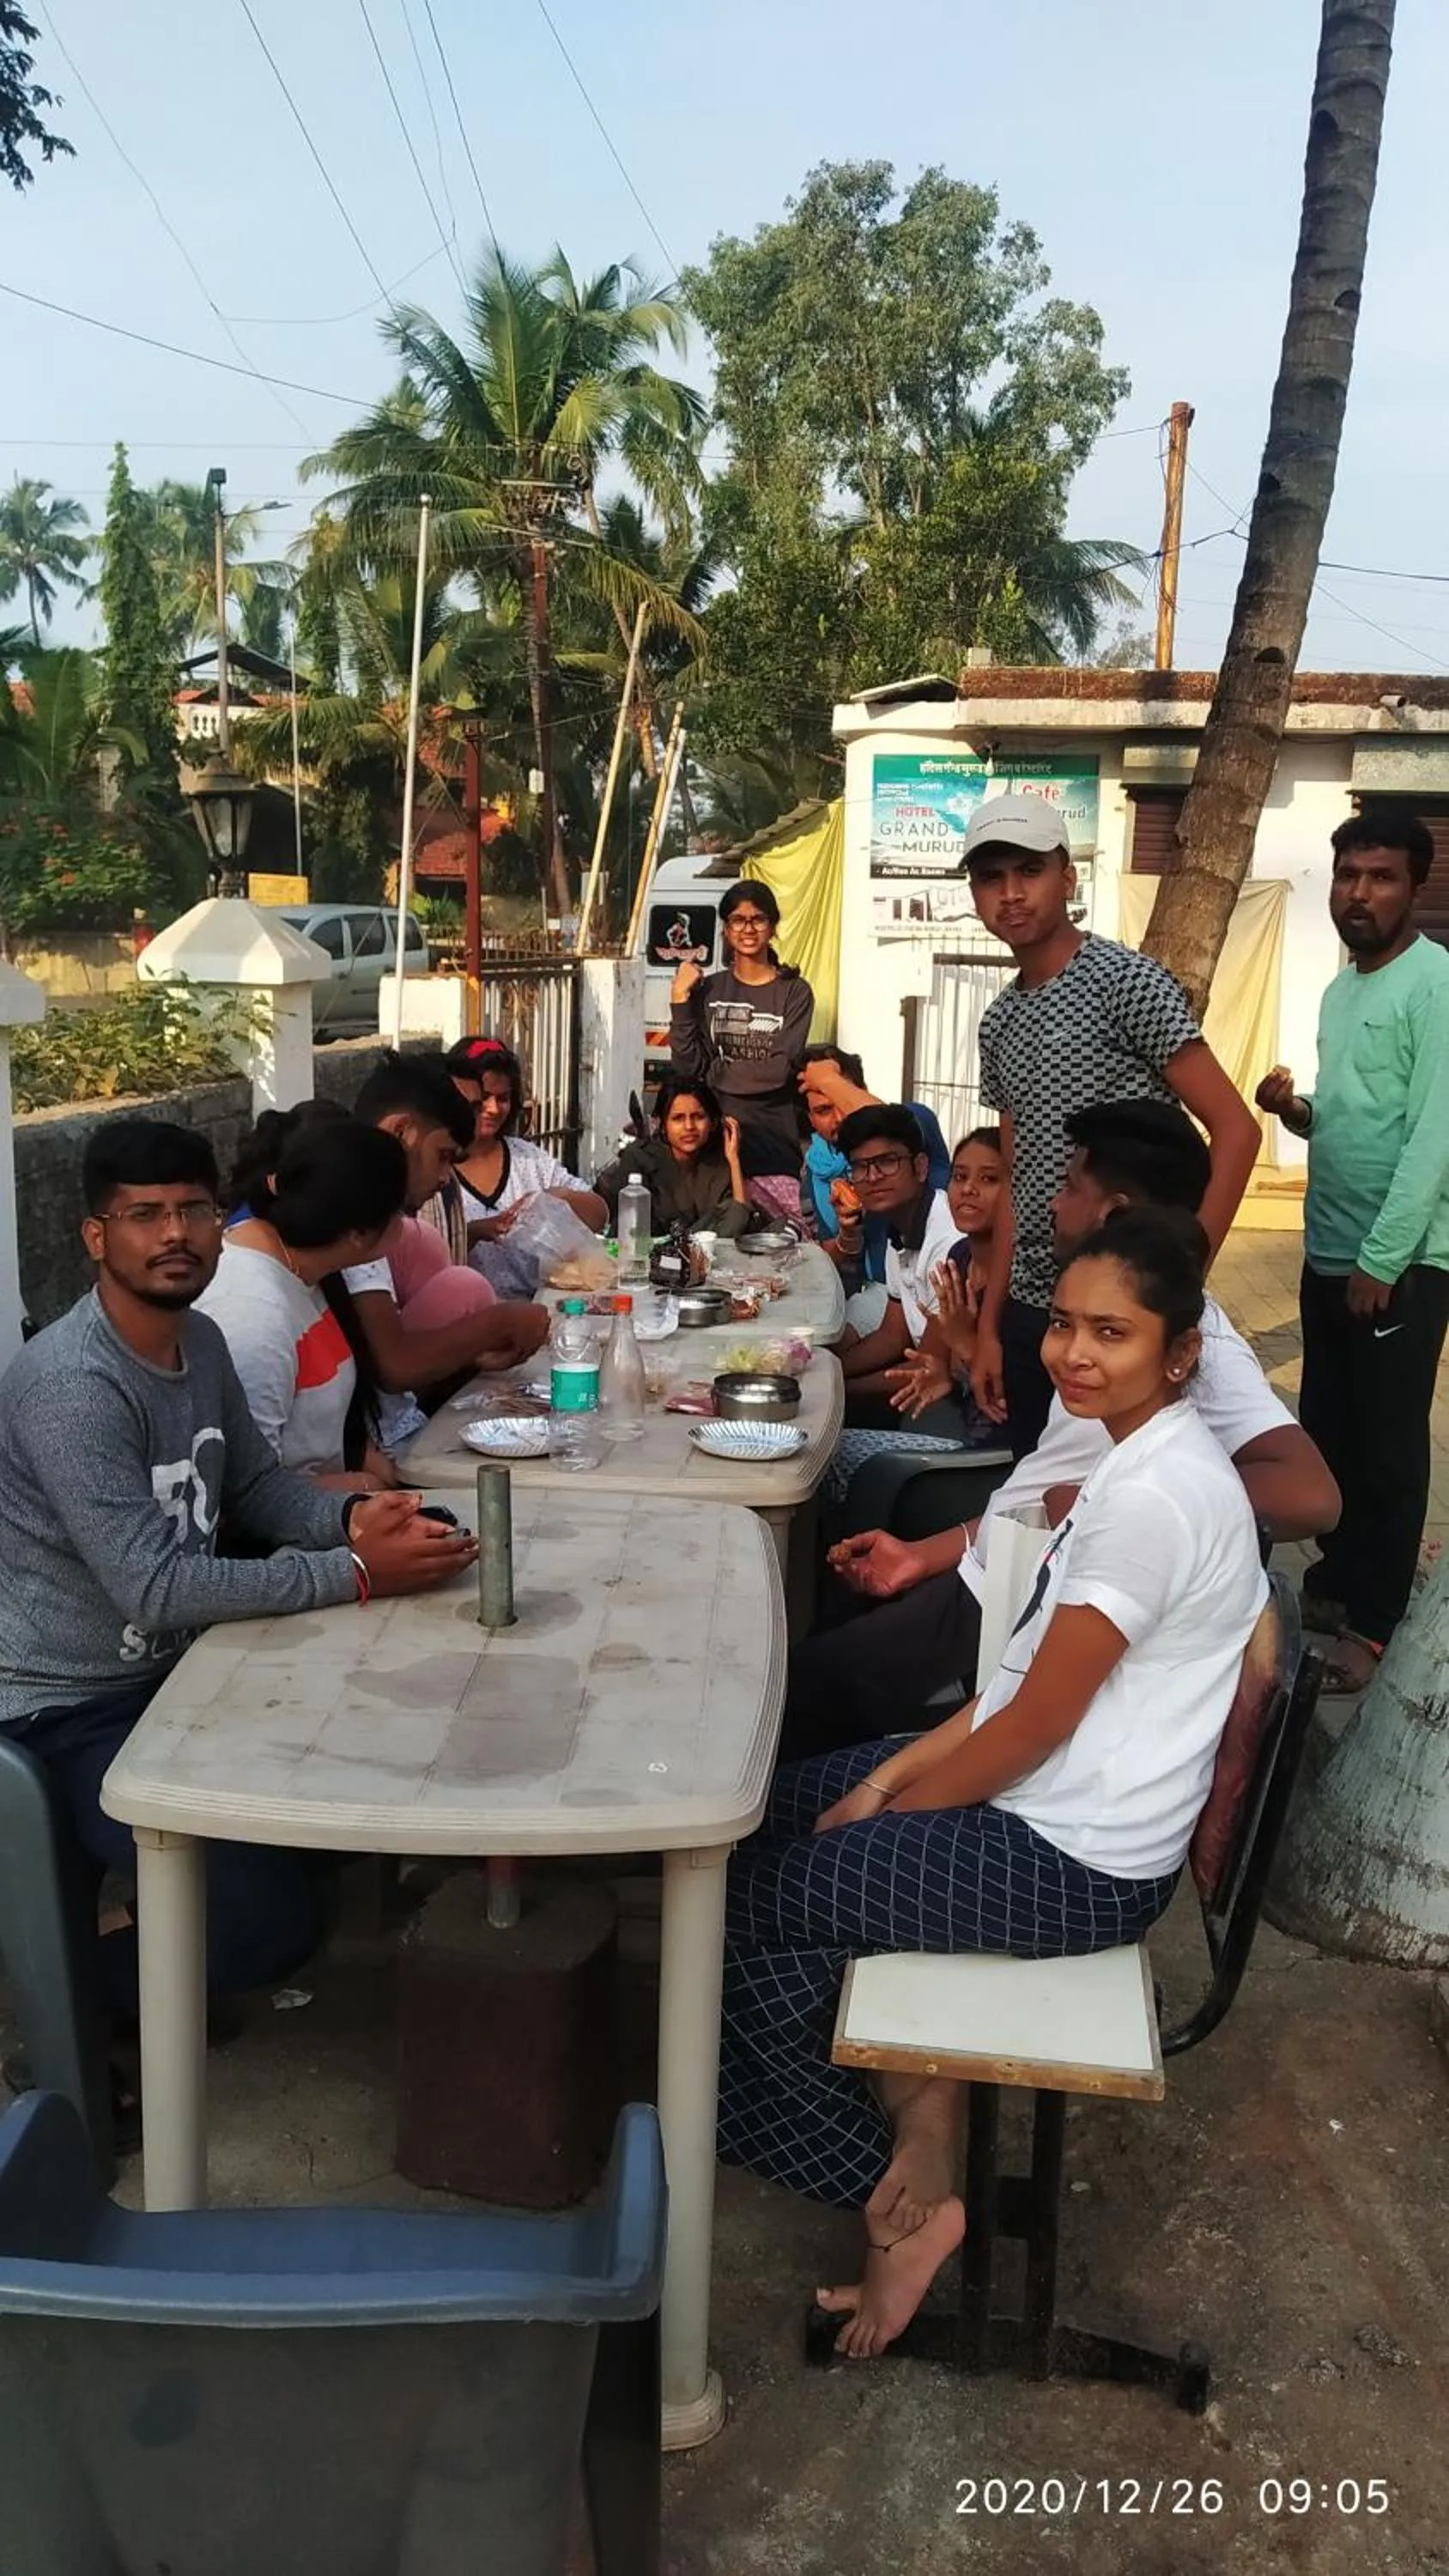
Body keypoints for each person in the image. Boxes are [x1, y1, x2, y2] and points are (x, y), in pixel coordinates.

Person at [718, 1209, 1267, 2357]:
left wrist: (893, 1810)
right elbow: (1015, 1687)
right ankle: (922, 2136)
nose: (1074, 1353)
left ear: (1178, 1356)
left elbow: (1030, 1733)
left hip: (1070, 1861)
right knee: (772, 1821)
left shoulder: (1157, 1499)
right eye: (1065, 1323)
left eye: (1111, 1334)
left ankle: (895, 2204)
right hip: (1042, 1804)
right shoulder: (1128, 1463)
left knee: (737, 1908)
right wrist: (885, 1787)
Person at [0, 1119, 478, 2020]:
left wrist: (355, 1516)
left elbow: (258, 1486)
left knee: (359, 1793)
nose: (174, 1234)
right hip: (63, 1705)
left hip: (176, 1668)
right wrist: (360, 1573)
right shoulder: (72, 1385)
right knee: (267, 1920)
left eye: (193, 1211)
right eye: (144, 1216)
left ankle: (165, 1965)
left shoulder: (200, 1342)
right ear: (96, 1236)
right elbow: (154, 1586)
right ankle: (63, 2011)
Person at [784, 1098, 1340, 1763]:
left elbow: (1313, 1496)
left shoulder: (1190, 1341)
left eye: (1070, 1184)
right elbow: (1044, 1494)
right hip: (989, 1563)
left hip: (1018, 1602)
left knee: (796, 1696)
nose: (1050, 1203)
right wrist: (922, 1556)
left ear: (1113, 1213)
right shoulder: (1088, 1324)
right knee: (812, 1632)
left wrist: (1127, 1503)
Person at [962, 793, 1261, 1460]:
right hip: (1036, 1313)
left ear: (1067, 878)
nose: (1010, 894)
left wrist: (1178, 1275)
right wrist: (991, 1324)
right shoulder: (1001, 1022)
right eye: (991, 877)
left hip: (1122, 1316)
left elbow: (1237, 1132)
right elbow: (1016, 1176)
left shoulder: (1126, 982)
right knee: (1037, 1496)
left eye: (1029, 871)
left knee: (1124, 1491)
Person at [1256, 807, 1449, 1691]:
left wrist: (1383, 1259)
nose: (1357, 893)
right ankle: (1334, 1584)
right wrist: (1296, 1114)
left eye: (1379, 877)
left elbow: (1431, 1136)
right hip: (1326, 1251)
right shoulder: (1341, 991)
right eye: (1346, 876)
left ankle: (1373, 1624)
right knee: (1326, 1431)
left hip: (1399, 1265)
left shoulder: (1433, 983)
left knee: (1385, 1445)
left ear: (1414, 886)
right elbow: (1355, 1112)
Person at [345, 1053, 549, 1450]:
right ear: (402, 1132)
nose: (444, 1178)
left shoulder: (394, 1224)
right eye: (441, 1157)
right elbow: (396, 1366)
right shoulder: (351, 1221)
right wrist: (499, 1322)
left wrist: (472, 1354)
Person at [198, 1107, 409, 1487]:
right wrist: (366, 1491)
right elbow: (245, 1495)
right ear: (358, 1233)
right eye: (400, 1211)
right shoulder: (252, 1315)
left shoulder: (308, 1271)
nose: (408, 1223)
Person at [824, 1128, 1006, 1506]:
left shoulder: (1021, 1284)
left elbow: (1001, 1397)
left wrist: (963, 1348)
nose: (968, 1189)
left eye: (989, 1179)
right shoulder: (959, 1258)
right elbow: (930, 1364)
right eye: (959, 1176)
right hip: (938, 1413)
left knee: (828, 1457)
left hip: (986, 1448)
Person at [670, 879, 815, 1225]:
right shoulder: (709, 989)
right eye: (738, 919)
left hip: (772, 1152)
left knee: (776, 1261)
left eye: (758, 919)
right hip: (712, 1155)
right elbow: (689, 1068)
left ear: (773, 927)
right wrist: (679, 998)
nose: (748, 928)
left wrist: (717, 1071)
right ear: (725, 930)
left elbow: (779, 1071)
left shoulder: (794, 992)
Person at [831, 1106, 964, 1432]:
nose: (873, 1177)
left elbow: (924, 1371)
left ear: (920, 1167)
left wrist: (833, 1391)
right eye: (861, 1167)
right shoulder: (898, 1229)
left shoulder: (948, 1241)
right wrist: (828, 1370)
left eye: (888, 1162)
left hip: (949, 1401)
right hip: (919, 1381)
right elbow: (893, 1336)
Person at [797, 1046, 952, 1311]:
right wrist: (848, 1234)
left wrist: (825, 1080)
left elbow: (890, 1125)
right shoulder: (816, 1169)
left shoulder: (915, 1122)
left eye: (842, 1099)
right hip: (876, 1294)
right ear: (810, 1119)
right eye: (823, 1110)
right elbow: (831, 1259)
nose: (838, 1119)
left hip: (937, 1287)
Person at [448, 1035, 608, 1241]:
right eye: (484, 1097)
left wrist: (559, 1198)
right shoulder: (438, 1166)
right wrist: (474, 1232)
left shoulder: (528, 1159)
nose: (493, 1109)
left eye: (503, 1098)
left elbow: (599, 1215)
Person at [593, 1073, 758, 1239]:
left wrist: (734, 1160)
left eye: (698, 1117)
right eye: (678, 1118)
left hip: (706, 1255)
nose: (689, 1127)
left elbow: (739, 1217)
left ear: (713, 1122)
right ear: (662, 1125)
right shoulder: (640, 1157)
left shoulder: (717, 1159)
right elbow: (629, 1225)